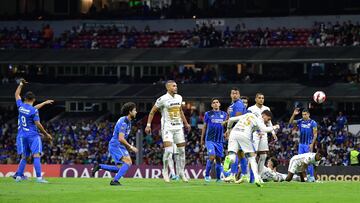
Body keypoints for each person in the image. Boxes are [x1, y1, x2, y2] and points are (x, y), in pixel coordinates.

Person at [145, 80, 191, 182]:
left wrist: (186, 123)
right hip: (167, 128)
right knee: (169, 151)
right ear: (168, 88)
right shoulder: (162, 99)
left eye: (176, 86)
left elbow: (180, 111)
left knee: (182, 151)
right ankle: (165, 172)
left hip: (179, 128)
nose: (176, 87)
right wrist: (148, 125)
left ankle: (181, 172)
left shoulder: (179, 97)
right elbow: (152, 112)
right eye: (174, 86)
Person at [225, 110, 280, 187]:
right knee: (252, 158)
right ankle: (257, 178)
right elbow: (265, 129)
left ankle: (229, 159)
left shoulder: (247, 115)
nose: (268, 122)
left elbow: (231, 119)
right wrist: (275, 127)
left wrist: (228, 129)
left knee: (232, 155)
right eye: (268, 119)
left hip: (234, 133)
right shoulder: (259, 119)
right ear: (263, 115)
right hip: (244, 135)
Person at [14, 79, 53, 183]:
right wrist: (46, 134)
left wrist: (21, 84)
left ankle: (18, 177)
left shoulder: (21, 106)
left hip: (22, 135)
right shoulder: (33, 111)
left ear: (25, 98)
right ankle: (39, 178)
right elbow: (38, 124)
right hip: (33, 136)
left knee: (24, 156)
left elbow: (17, 94)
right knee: (36, 155)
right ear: (34, 99)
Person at [92, 102, 138, 186]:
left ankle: (99, 166)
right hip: (116, 145)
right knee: (128, 162)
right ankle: (115, 181)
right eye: (134, 110)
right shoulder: (124, 122)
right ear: (130, 112)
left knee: (120, 168)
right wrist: (131, 147)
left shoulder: (128, 121)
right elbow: (120, 138)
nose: (136, 112)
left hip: (119, 145)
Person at [247, 93, 277, 176]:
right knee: (253, 156)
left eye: (262, 98)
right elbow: (248, 121)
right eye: (259, 98)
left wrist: (273, 132)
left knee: (263, 156)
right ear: (256, 99)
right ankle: (248, 175)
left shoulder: (267, 108)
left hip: (264, 134)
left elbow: (269, 121)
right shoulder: (251, 109)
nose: (261, 99)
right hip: (254, 134)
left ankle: (259, 176)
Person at [224, 87, 247, 183]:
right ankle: (243, 175)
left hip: (238, 131)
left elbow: (237, 119)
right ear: (230, 94)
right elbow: (230, 117)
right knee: (240, 154)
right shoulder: (232, 105)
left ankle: (233, 175)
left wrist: (229, 130)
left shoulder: (238, 104)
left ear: (239, 95)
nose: (234, 95)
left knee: (233, 152)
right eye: (233, 93)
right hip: (239, 131)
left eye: (236, 93)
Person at [200, 98, 227, 182]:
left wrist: (227, 133)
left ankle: (218, 178)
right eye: (214, 103)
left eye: (217, 102)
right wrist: (202, 139)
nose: (215, 104)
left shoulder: (224, 114)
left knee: (219, 159)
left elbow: (227, 126)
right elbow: (204, 126)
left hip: (219, 140)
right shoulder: (208, 114)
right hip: (210, 139)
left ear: (219, 104)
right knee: (212, 156)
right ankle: (207, 175)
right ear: (212, 105)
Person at [289, 108, 318, 182]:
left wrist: (312, 144)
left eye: (305, 114)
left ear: (308, 114)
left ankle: (311, 177)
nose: (304, 116)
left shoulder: (313, 122)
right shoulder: (300, 121)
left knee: (309, 161)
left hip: (308, 144)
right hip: (301, 145)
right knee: (300, 161)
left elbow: (315, 134)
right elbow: (290, 122)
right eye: (302, 114)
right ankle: (303, 177)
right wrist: (294, 114)